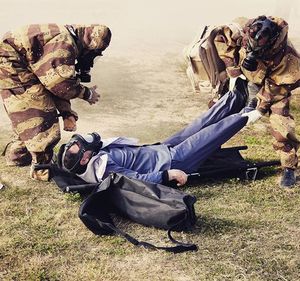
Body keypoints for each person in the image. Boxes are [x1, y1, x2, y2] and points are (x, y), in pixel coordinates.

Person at [186, 15, 300, 187]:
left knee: (281, 123)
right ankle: (207, 147)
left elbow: (279, 87)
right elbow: (220, 42)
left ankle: (289, 167)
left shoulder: (287, 58)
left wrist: (260, 108)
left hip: (272, 84)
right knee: (219, 107)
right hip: (244, 76)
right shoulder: (238, 30)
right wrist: (233, 71)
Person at [57, 89, 254, 186]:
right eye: (80, 147)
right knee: (209, 135)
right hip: (172, 161)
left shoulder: (90, 157)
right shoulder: (105, 172)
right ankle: (249, 114)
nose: (83, 142)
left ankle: (236, 95)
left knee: (199, 124)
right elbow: (138, 179)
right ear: (84, 159)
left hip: (160, 148)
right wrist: (169, 175)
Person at [0, 24, 112, 181]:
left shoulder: (70, 37)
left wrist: (67, 113)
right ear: (89, 45)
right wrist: (87, 94)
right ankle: (41, 170)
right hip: (13, 66)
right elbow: (60, 85)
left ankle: (17, 156)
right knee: (40, 118)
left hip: (19, 63)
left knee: (30, 119)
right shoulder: (65, 45)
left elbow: (54, 82)